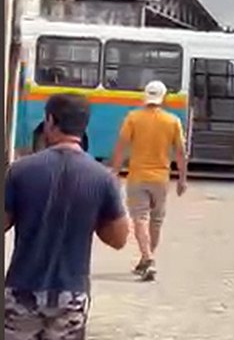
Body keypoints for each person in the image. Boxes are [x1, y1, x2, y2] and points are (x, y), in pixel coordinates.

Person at [4, 93, 129, 339]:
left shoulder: (19, 171)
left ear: (50, 121)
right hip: (71, 293)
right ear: (84, 126)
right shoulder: (102, 178)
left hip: (21, 290)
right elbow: (119, 239)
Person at [111, 80, 188, 281]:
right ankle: (147, 258)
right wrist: (182, 179)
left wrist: (115, 172)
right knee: (156, 221)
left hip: (137, 177)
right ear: (163, 97)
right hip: (161, 179)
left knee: (140, 218)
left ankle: (147, 258)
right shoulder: (172, 121)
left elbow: (121, 147)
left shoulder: (133, 118)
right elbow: (180, 153)